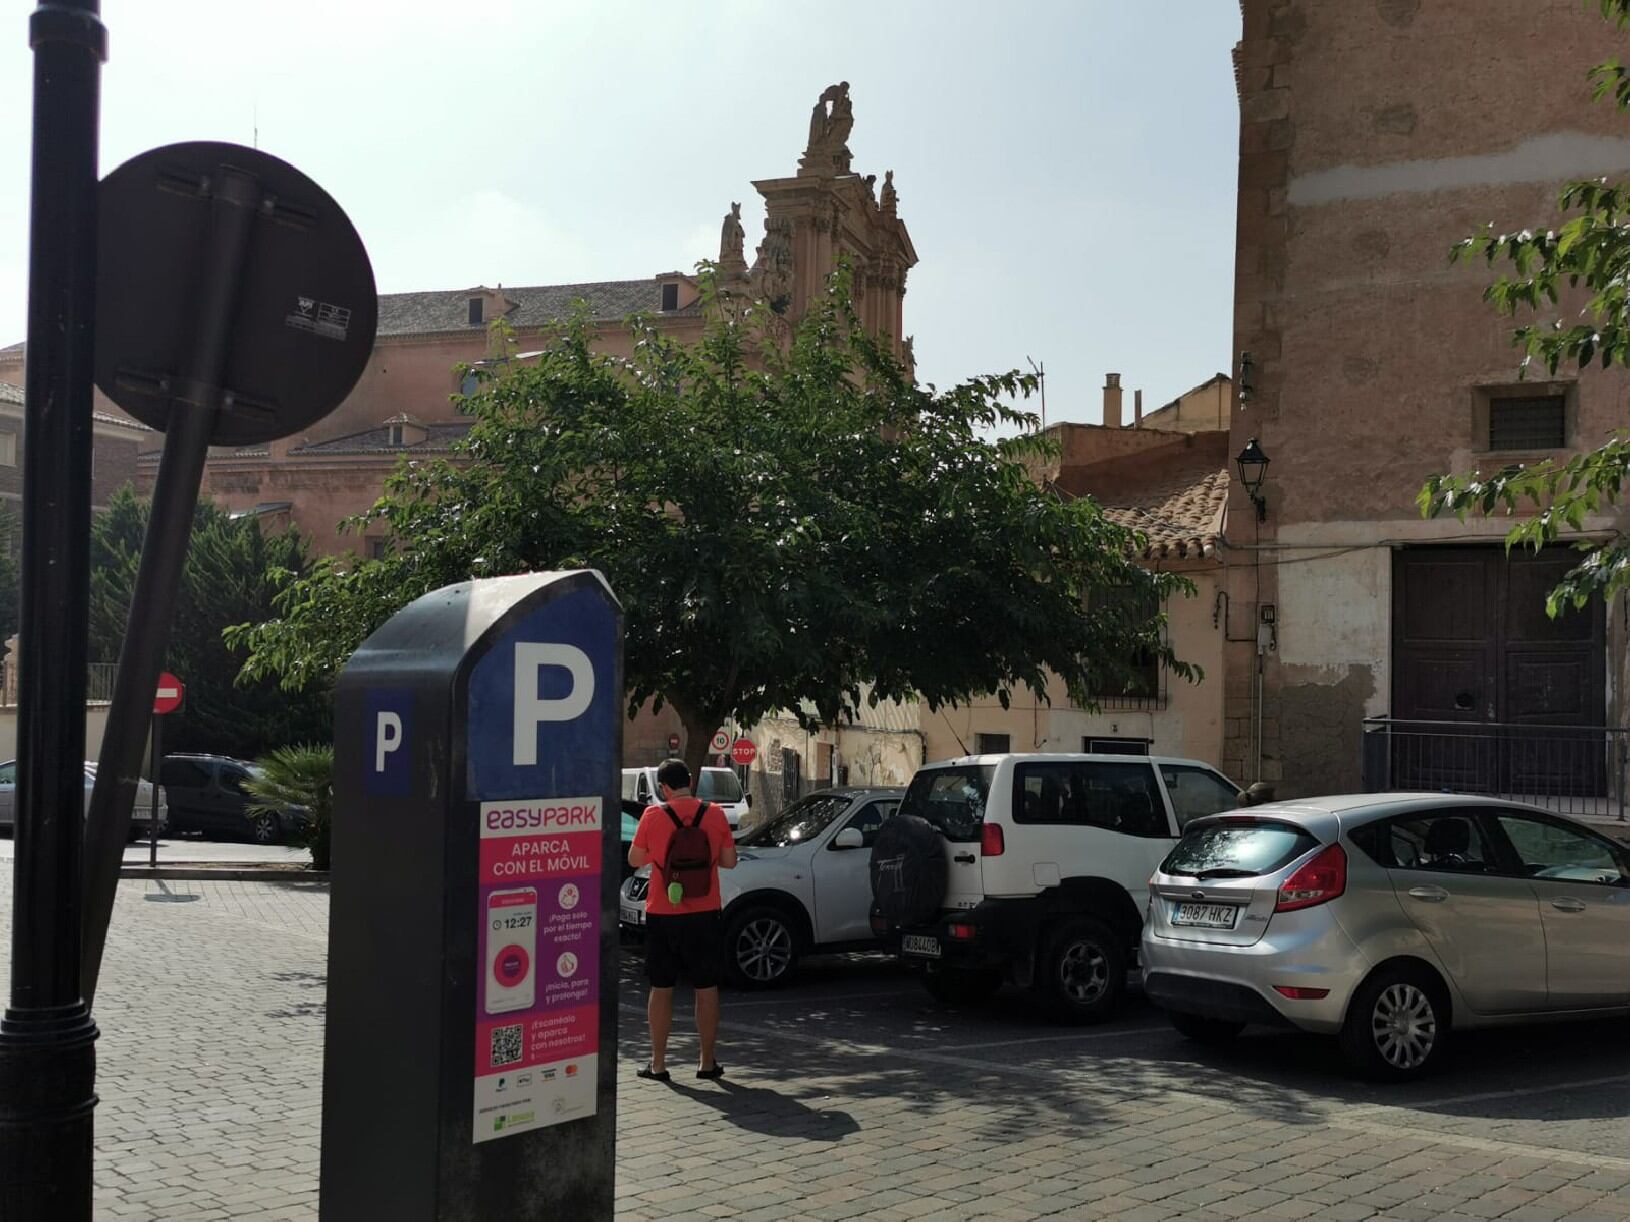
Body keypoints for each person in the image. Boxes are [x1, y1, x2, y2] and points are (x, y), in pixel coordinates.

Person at [628, 757, 737, 1082]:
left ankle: (658, 1064)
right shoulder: (715, 813)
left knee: (661, 988)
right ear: (690, 780)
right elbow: (730, 862)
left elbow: (634, 858)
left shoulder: (653, 814)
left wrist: (656, 853)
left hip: (663, 912)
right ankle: (706, 1062)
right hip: (705, 912)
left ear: (663, 787)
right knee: (706, 987)